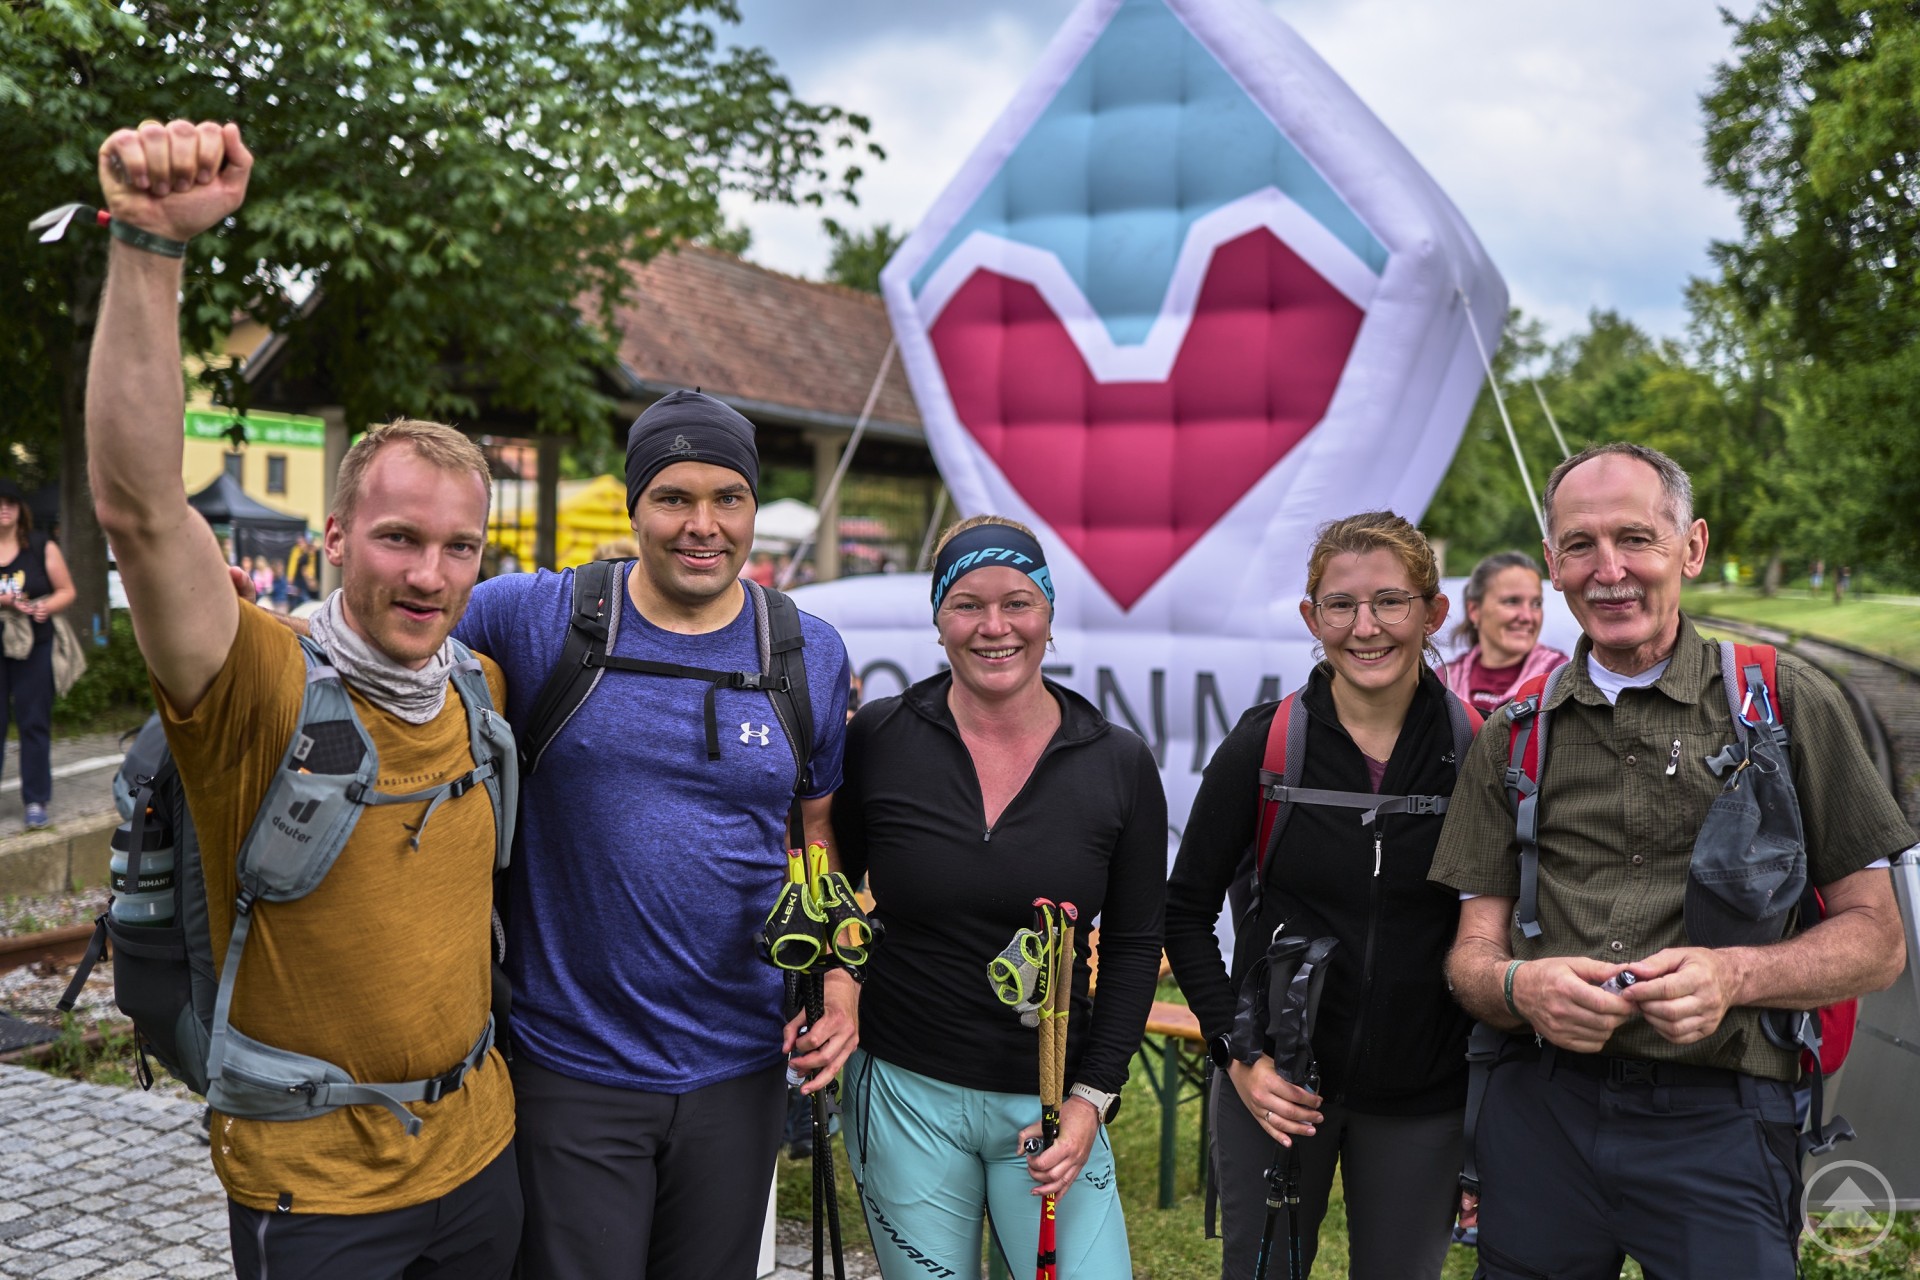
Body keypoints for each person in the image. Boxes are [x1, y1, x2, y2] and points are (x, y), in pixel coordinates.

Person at [84, 120, 519, 1277]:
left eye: (459, 546)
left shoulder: (479, 686)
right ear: (333, 537)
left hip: (481, 1152)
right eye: (397, 536)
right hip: (316, 1188)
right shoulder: (259, 685)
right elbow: (138, 508)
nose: (429, 573)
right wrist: (146, 244)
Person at [1429, 442, 1914, 1279]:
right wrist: (1519, 986)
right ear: (1552, 565)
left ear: (1689, 547)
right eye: (1580, 545)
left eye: (1636, 538)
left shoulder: (1788, 702)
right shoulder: (1513, 737)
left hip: (1721, 1120)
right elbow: (1471, 959)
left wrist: (1733, 977)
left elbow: (1879, 942)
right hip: (1543, 1114)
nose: (1608, 569)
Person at [452, 388, 856, 1278]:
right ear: (635, 506)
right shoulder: (534, 619)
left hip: (740, 1068)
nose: (702, 525)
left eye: (728, 498)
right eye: (674, 497)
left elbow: (817, 828)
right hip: (570, 1066)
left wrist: (838, 982)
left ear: (753, 508)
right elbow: (389, 642)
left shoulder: (805, 652)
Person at [831, 515, 1166, 1279]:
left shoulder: (1117, 763)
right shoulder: (882, 736)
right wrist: (841, 984)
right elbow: (838, 886)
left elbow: (1138, 941)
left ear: (1048, 614)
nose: (994, 627)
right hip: (905, 1090)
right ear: (938, 617)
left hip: (1048, 1103)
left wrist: (1091, 1098)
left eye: (1018, 602)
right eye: (967, 604)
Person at [1166, 511, 1474, 1280]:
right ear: (1312, 617)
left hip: (1423, 1097)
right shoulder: (1264, 746)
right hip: (1276, 1086)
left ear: (1433, 613)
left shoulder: (1475, 751)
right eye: (1340, 605)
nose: (1365, 627)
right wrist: (1236, 1056)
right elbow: (1183, 911)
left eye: (1390, 602)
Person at [0, 477, 76, 831]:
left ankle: (35, 801)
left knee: (33, 722)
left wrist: (46, 607)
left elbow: (66, 591)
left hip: (35, 644)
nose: (4, 508)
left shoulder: (41, 545)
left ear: (20, 509)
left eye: (11, 502)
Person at [1441, 550, 1568, 716]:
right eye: (1512, 601)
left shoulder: (1560, 678)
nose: (1527, 616)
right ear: (1474, 610)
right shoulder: (1444, 680)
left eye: (1536, 604)